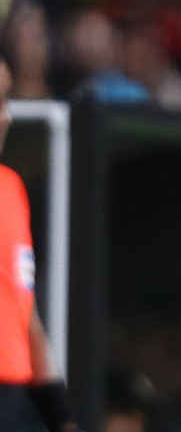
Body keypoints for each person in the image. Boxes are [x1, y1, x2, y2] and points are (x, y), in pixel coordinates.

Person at [0, 53, 79, 431]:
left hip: (14, 402)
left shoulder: (11, 189)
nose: (7, 116)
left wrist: (60, 416)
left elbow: (23, 310)